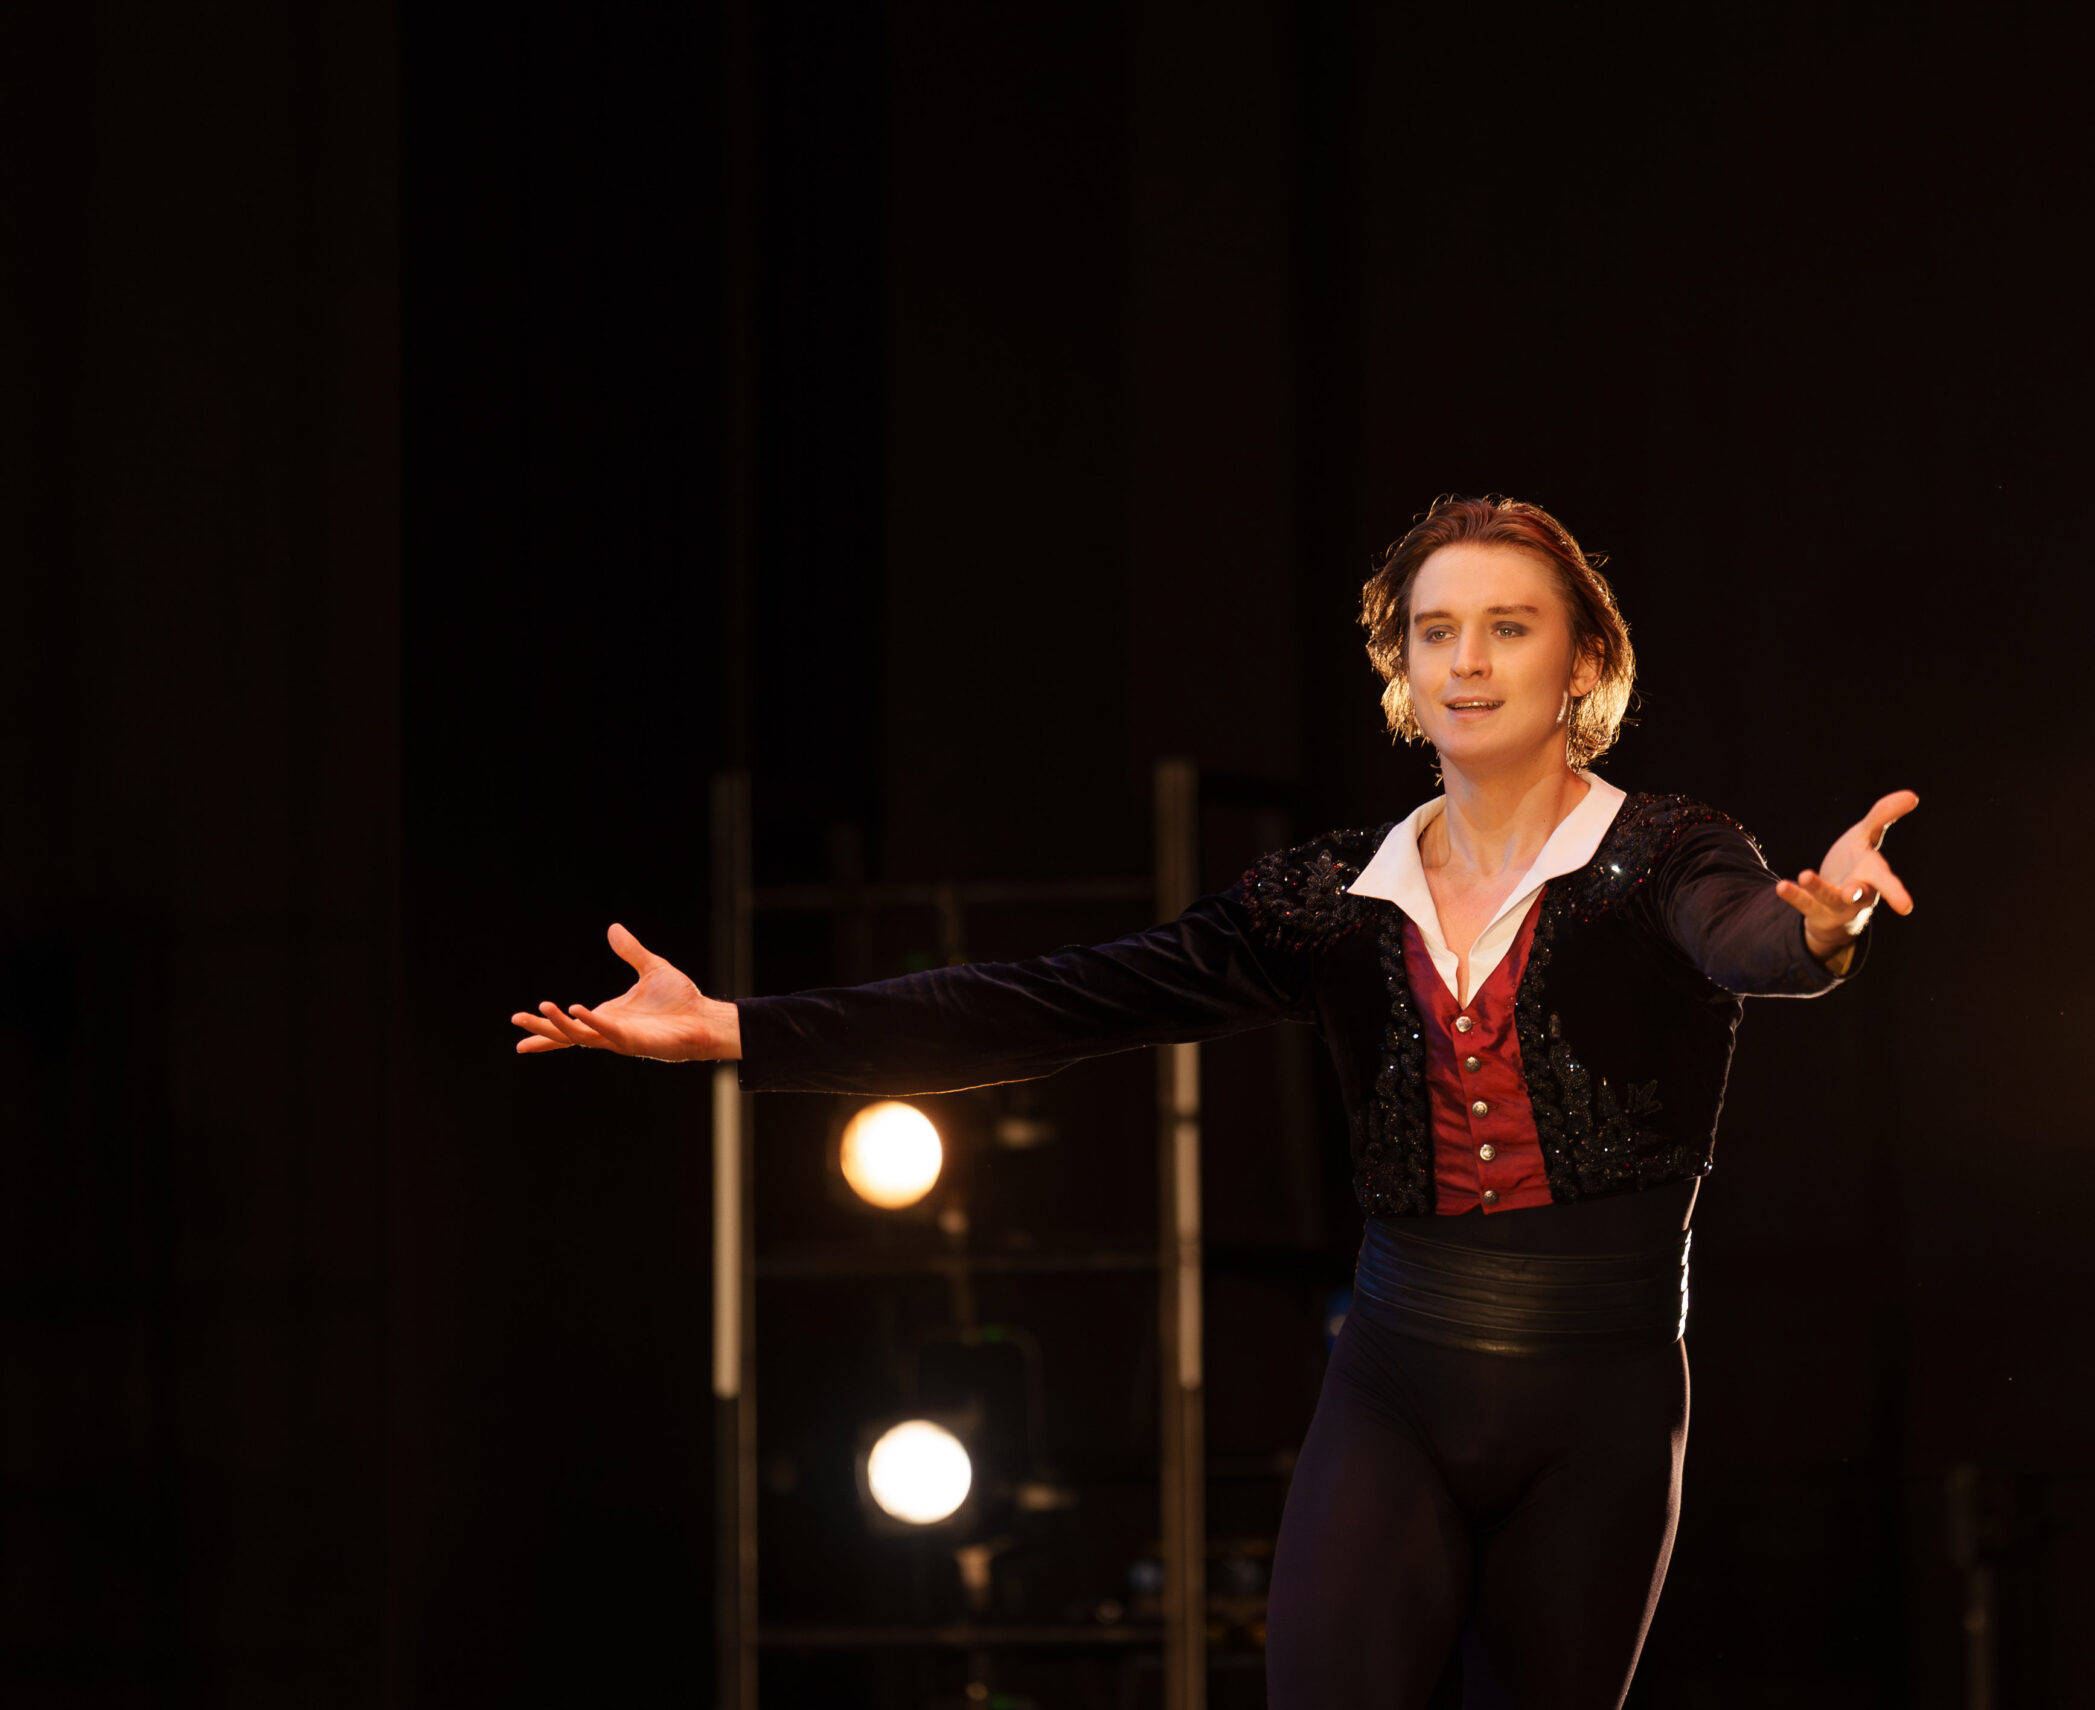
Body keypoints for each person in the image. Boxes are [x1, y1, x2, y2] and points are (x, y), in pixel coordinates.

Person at [512, 494, 1917, 1709]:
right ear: (1402, 665)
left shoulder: (1666, 855)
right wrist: (740, 1028)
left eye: (1509, 626)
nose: (1470, 662)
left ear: (1583, 661)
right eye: (1436, 631)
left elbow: (1747, 937)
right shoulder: (1329, 896)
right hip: (1398, 1382)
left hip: (1600, 1400)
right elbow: (1058, 998)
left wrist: (1824, 926)